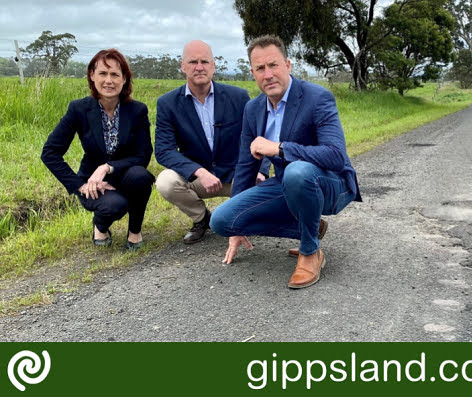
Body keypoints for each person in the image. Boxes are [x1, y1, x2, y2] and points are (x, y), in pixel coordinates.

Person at [210, 35, 362, 289]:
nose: (268, 74)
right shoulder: (253, 109)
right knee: (222, 221)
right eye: (260, 68)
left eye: (273, 65)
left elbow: (336, 155)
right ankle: (309, 225)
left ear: (288, 65)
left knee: (297, 171)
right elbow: (246, 165)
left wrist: (279, 148)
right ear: (253, 73)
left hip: (332, 183)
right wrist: (237, 225)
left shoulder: (317, 98)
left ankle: (310, 251)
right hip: (288, 183)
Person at [155, 40, 269, 244]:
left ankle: (246, 218)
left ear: (213, 66)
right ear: (183, 66)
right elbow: (164, 150)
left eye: (204, 61)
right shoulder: (168, 103)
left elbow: (260, 136)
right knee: (165, 181)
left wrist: (261, 170)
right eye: (193, 62)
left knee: (260, 188)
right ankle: (202, 219)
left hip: (236, 175)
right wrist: (198, 171)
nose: (199, 67)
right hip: (197, 178)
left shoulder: (238, 96)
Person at [41, 48, 155, 250]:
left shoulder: (137, 110)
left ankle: (134, 231)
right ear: (92, 76)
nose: (108, 81)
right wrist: (79, 185)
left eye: (115, 74)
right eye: (102, 73)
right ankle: (100, 225)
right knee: (114, 206)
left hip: (125, 175)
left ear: (124, 79)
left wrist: (107, 167)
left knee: (142, 176)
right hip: (93, 183)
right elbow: (50, 152)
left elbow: (143, 155)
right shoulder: (79, 109)